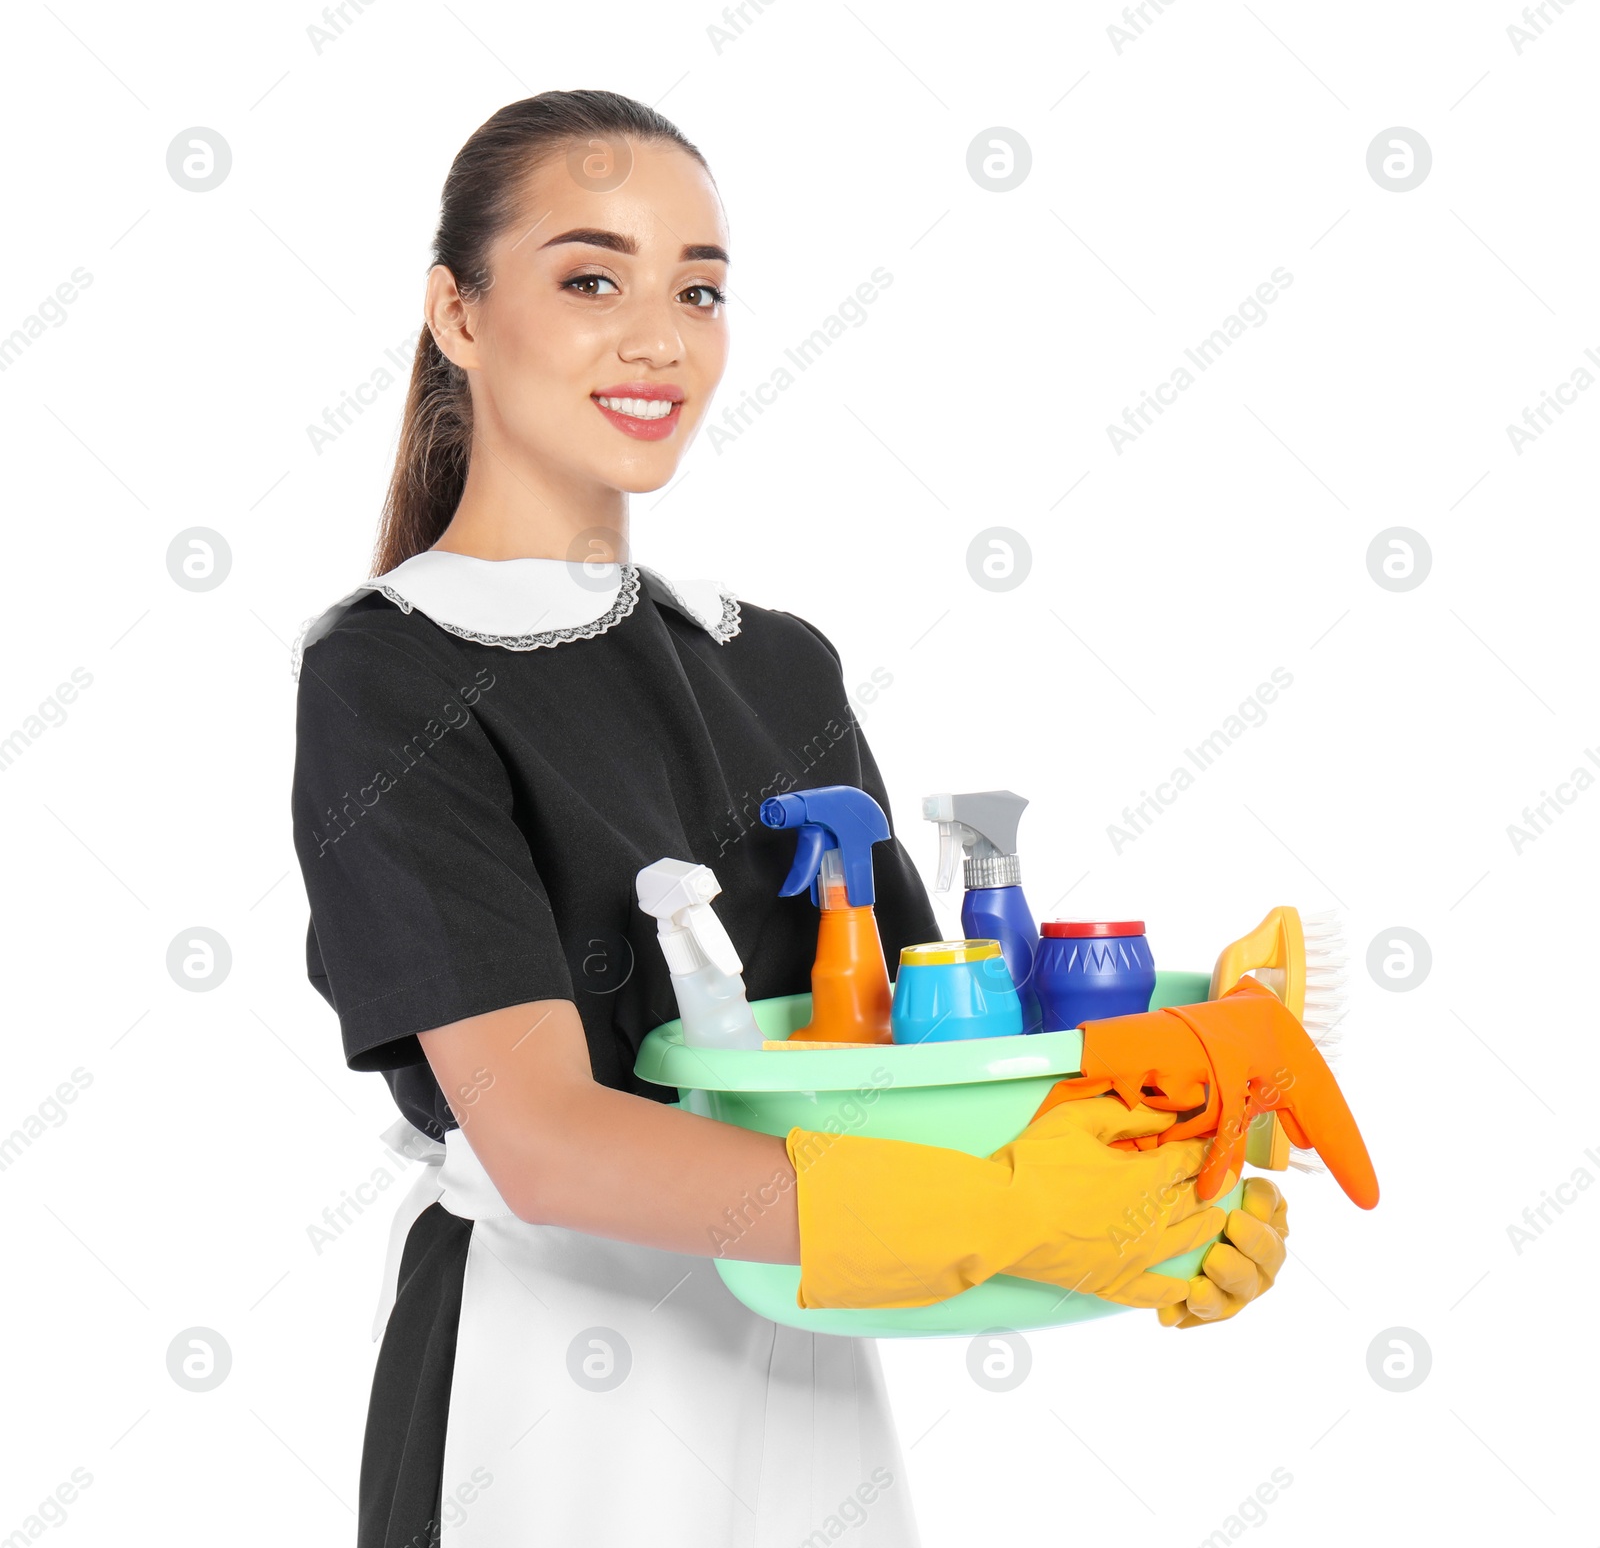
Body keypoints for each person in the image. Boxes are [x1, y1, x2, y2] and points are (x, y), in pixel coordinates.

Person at [289, 89, 1288, 1548]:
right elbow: (545, 1141)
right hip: (552, 1409)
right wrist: (1000, 1218)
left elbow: (922, 1094)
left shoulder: (775, 665)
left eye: (700, 290)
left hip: (812, 1384)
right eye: (590, 280)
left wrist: (1151, 1208)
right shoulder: (391, 671)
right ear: (455, 312)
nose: (661, 338)